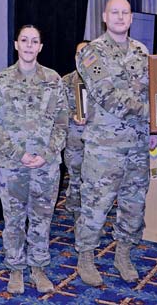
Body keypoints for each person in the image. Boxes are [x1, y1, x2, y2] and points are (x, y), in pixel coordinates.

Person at [74, 0, 157, 286]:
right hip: (105, 147)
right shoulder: (91, 52)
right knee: (96, 203)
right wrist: (152, 114)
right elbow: (107, 95)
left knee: (133, 204)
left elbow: (152, 90)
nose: (120, 17)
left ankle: (123, 254)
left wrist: (155, 126)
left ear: (131, 18)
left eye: (125, 13)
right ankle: (86, 256)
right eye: (115, 12)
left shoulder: (142, 51)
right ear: (104, 17)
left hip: (137, 145)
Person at [0, 25, 68, 294]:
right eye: (24, 40)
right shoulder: (1, 80)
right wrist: (18, 154)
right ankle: (16, 268)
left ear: (40, 47)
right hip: (12, 165)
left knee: (42, 219)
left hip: (46, 165)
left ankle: (38, 267)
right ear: (16, 45)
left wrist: (46, 154)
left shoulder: (54, 79)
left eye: (34, 41)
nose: (29, 45)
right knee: (13, 220)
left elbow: (62, 123)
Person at [62, 40, 90, 222]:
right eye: (79, 53)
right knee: (75, 179)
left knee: (94, 182)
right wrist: (72, 115)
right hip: (74, 139)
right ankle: (75, 213)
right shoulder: (65, 81)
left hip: (97, 141)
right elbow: (58, 110)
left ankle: (89, 219)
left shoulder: (102, 81)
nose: (82, 56)